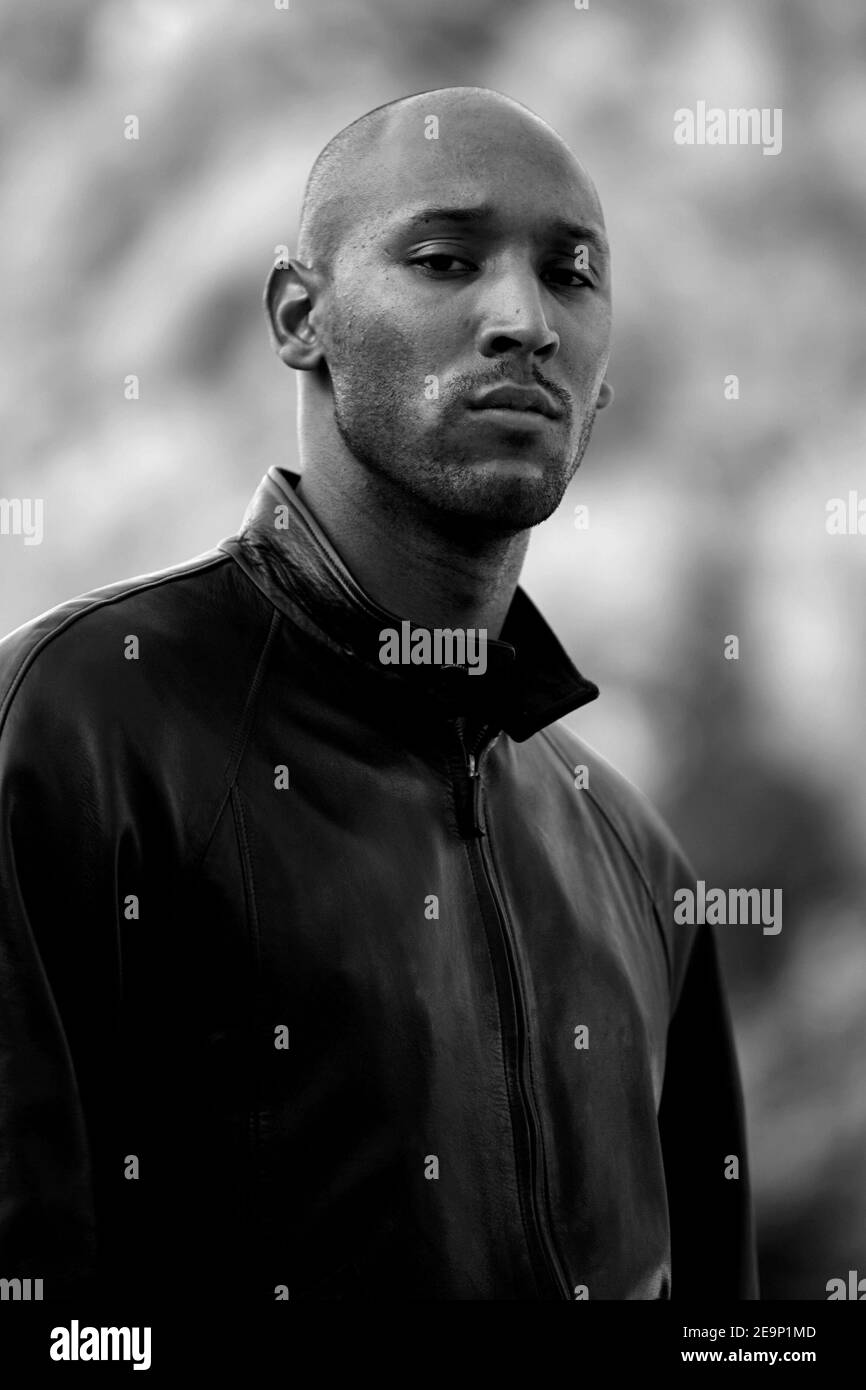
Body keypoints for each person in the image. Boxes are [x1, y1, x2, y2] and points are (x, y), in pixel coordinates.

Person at [0, 87, 758, 1302]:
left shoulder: (641, 869)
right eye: (445, 259)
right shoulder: (76, 726)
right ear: (302, 317)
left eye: (569, 275)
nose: (522, 320)